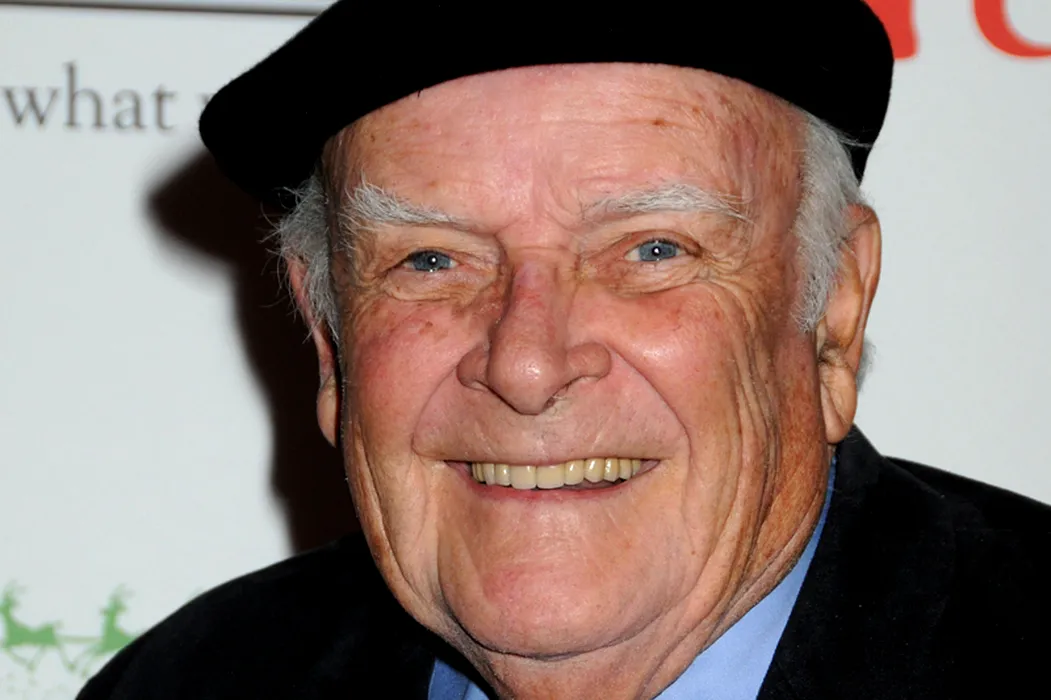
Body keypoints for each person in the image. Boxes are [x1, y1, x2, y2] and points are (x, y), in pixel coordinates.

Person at [79, 2, 1051, 698]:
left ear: (832, 307)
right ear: (329, 340)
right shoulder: (192, 679)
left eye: (652, 249)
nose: (526, 364)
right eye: (429, 259)